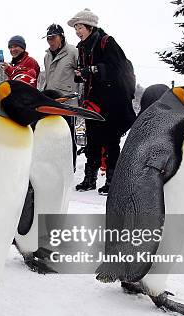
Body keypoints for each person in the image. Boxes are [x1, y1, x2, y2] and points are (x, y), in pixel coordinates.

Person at [69, 8, 136, 195]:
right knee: (92, 140)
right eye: (75, 27)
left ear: (90, 27)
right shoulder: (82, 47)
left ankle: (112, 181)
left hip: (112, 102)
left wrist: (91, 70)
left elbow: (117, 68)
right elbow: (87, 71)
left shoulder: (107, 42)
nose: (77, 31)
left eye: (80, 27)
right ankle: (89, 179)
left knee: (111, 141)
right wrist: (81, 74)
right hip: (92, 100)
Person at [43, 24, 80, 169]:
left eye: (53, 37)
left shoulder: (73, 52)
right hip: (51, 102)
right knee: (52, 135)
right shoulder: (46, 56)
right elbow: (48, 78)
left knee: (68, 136)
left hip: (67, 102)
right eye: (48, 38)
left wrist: (79, 96)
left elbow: (81, 75)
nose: (50, 41)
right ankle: (54, 165)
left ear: (62, 37)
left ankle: (71, 166)